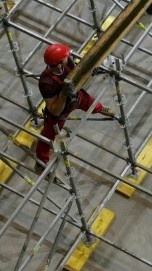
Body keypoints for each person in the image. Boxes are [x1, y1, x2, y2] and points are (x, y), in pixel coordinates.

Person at [35, 43, 115, 173]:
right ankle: (41, 161)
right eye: (66, 56)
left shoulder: (67, 62)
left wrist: (91, 71)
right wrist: (63, 94)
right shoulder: (46, 82)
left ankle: (100, 108)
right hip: (61, 110)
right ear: (59, 64)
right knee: (48, 136)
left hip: (76, 97)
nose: (69, 56)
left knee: (91, 103)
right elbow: (54, 110)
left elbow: (79, 72)